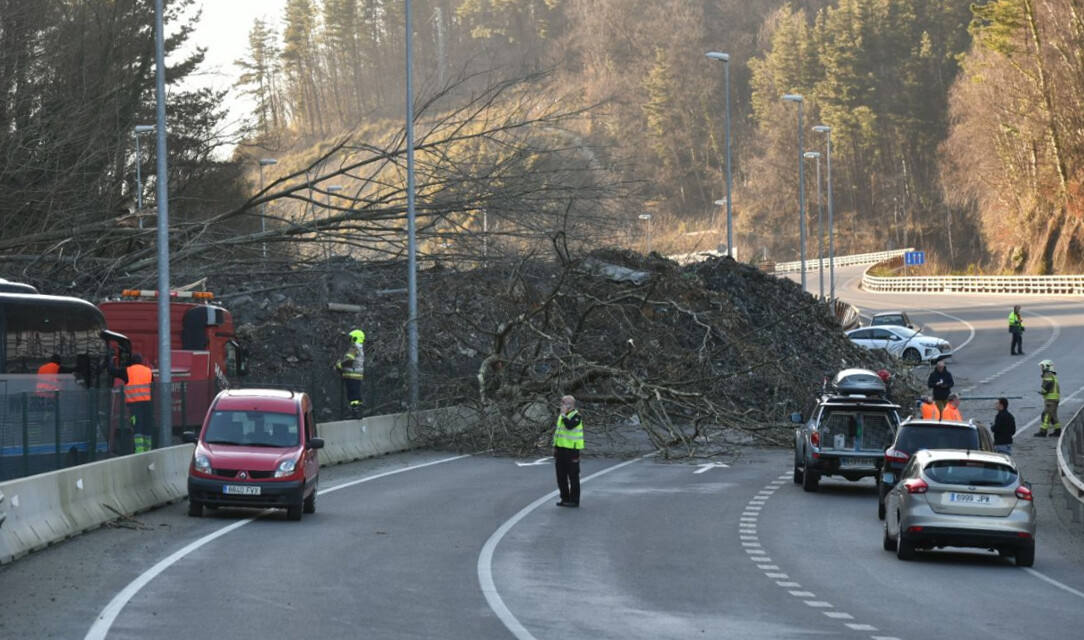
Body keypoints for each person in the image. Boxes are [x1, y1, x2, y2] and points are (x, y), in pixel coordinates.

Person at [111, 353, 154, 454]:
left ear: (132, 362)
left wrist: (111, 359)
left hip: (134, 405)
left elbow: (112, 371)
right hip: (147, 404)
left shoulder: (127, 371)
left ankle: (139, 451)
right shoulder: (148, 371)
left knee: (137, 428)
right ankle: (148, 450)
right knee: (146, 427)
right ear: (141, 361)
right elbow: (153, 385)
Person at [553, 395, 583, 508]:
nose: (561, 406)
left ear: (569, 405)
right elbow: (559, 433)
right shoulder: (562, 416)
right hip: (560, 450)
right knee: (561, 476)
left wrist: (564, 415)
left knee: (573, 477)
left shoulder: (576, 416)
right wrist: (555, 448)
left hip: (572, 451)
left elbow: (570, 426)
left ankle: (574, 500)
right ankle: (564, 498)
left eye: (563, 404)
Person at [335, 329, 365, 416]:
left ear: (355, 338)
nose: (350, 340)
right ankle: (358, 411)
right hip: (357, 375)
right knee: (356, 394)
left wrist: (340, 365)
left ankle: (355, 412)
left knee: (352, 395)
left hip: (351, 375)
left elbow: (349, 359)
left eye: (351, 338)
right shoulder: (360, 348)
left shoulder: (354, 347)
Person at [1036, 359, 1061, 437]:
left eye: (1042, 366)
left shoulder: (1048, 374)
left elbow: (1047, 383)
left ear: (1046, 367)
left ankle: (1043, 431)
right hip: (1055, 398)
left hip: (1050, 399)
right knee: (1053, 415)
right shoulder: (1052, 374)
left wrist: (1043, 391)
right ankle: (1058, 430)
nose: (1041, 368)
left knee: (1046, 415)